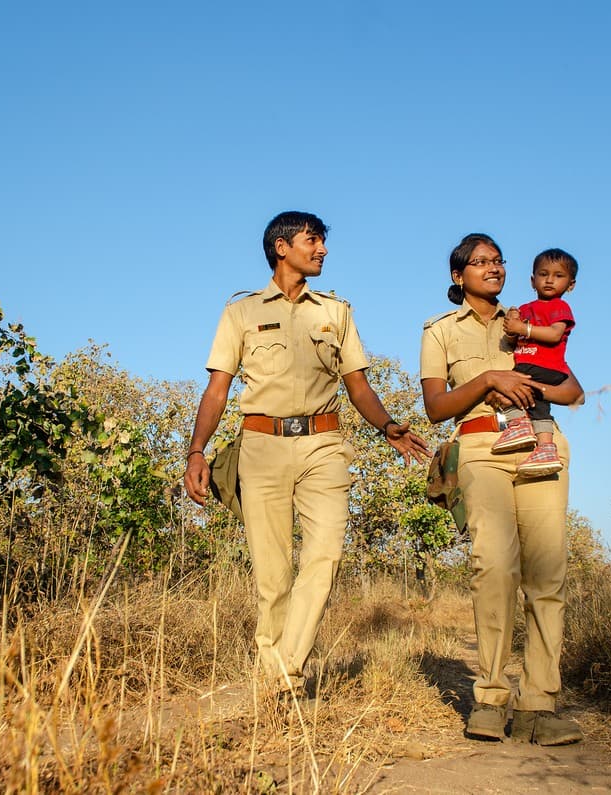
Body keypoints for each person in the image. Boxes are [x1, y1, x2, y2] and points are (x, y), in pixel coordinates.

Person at [183, 210, 430, 697]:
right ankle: (276, 675)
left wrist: (387, 427)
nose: (322, 250)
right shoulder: (241, 312)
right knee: (272, 574)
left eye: (322, 241)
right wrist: (196, 452)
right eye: (312, 240)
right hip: (261, 447)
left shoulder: (335, 312)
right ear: (282, 247)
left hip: (324, 444)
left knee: (325, 554)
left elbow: (357, 383)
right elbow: (217, 390)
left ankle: (283, 670)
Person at [419, 233, 585, 746]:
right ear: (458, 275)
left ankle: (540, 703)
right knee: (493, 565)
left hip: (541, 444)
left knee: (547, 573)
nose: (493, 268)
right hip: (480, 448)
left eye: (498, 261)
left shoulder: (533, 316)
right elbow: (436, 407)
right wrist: (490, 378)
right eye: (480, 262)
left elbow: (573, 391)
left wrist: (530, 387)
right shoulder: (440, 331)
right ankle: (490, 696)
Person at [492, 248, 579, 478]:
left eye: (558, 276)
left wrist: (524, 328)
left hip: (543, 365)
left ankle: (517, 425)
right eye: (543, 274)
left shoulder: (559, 307)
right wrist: (512, 326)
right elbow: (514, 338)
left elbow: (554, 334)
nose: (550, 280)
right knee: (539, 408)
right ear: (533, 280)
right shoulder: (525, 308)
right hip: (532, 364)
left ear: (571, 284)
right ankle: (546, 447)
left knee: (505, 388)